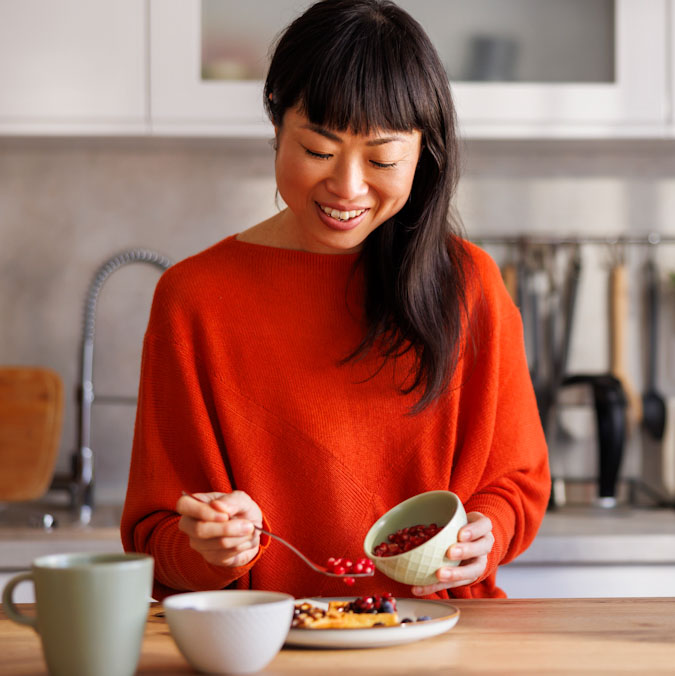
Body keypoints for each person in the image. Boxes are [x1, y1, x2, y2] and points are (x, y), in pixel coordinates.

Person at [121, 0, 549, 601]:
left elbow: (516, 482)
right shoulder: (195, 299)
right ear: (276, 122)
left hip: (441, 646)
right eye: (319, 151)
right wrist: (207, 549)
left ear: (422, 154)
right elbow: (154, 533)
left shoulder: (470, 283)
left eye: (382, 159)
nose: (347, 187)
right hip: (261, 648)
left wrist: (490, 532)